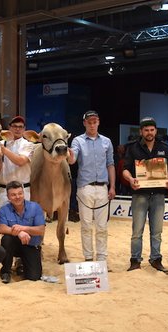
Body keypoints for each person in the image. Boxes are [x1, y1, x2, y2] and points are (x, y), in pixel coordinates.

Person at [122, 117, 168, 272]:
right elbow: (125, 169)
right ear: (141, 131)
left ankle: (156, 259)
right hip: (139, 195)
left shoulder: (165, 148)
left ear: (156, 131)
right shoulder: (132, 148)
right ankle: (135, 260)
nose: (149, 133)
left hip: (158, 195)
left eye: (152, 130)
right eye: (146, 130)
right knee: (137, 231)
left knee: (157, 231)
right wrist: (130, 179)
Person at [68, 110, 116, 263]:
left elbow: (110, 164)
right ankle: (88, 258)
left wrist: (112, 186)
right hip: (85, 187)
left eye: (95, 121)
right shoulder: (77, 141)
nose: (92, 124)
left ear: (98, 122)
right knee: (86, 225)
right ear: (84, 123)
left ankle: (102, 259)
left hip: (102, 187)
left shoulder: (106, 141)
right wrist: (67, 152)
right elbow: (72, 160)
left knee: (102, 227)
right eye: (89, 122)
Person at [0, 181, 46, 283]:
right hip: (14, 245)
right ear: (8, 197)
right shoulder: (3, 210)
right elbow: (2, 228)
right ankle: (6, 271)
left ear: (24, 193)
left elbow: (41, 230)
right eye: (13, 195)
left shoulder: (35, 207)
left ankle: (22, 264)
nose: (17, 197)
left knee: (34, 277)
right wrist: (19, 232)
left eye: (20, 193)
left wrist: (23, 228)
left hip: (30, 244)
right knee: (6, 239)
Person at [0, 115, 34, 207]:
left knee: (22, 220)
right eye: (15, 126)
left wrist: (3, 150)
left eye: (20, 127)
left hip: (22, 190)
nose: (17, 129)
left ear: (24, 129)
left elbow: (20, 161)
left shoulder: (28, 145)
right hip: (4, 190)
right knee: (5, 220)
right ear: (9, 128)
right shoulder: (1, 144)